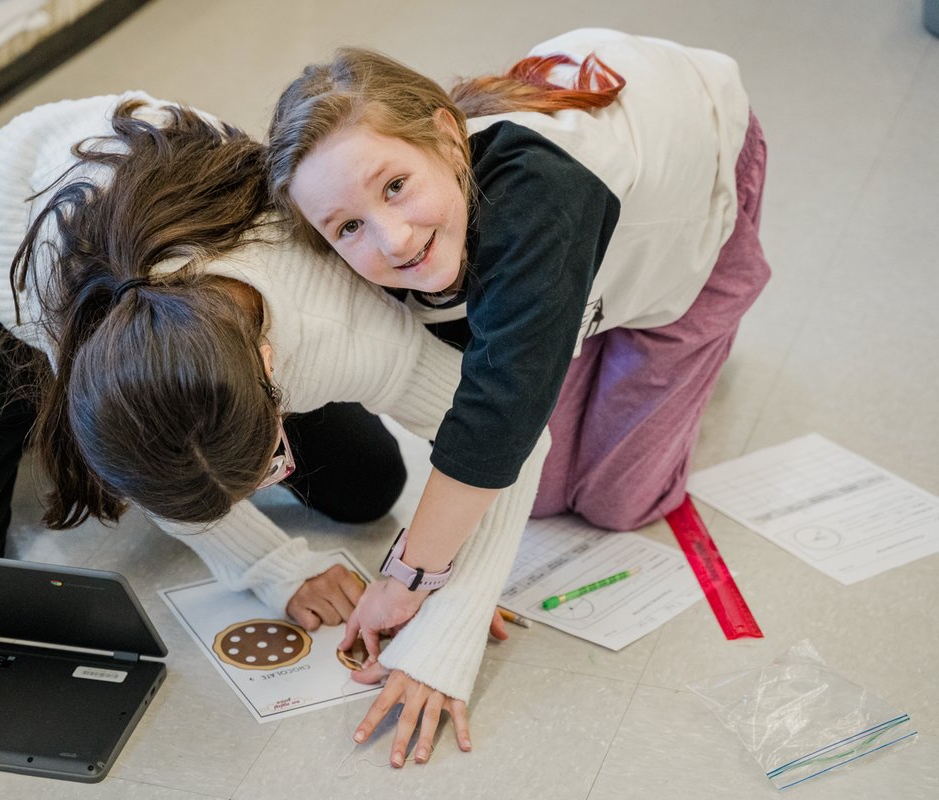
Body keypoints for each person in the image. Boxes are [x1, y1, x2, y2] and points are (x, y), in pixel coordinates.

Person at [0, 89, 526, 740]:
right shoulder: (83, 325)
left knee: (369, 486)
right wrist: (272, 568)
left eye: (266, 461)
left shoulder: (342, 322)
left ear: (271, 373)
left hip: (191, 240)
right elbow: (161, 453)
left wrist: (450, 599)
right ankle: (5, 409)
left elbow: (505, 431)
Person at [267, 27, 770, 764]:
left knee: (618, 502)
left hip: (696, 187)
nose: (395, 238)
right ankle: (569, 315)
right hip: (565, 253)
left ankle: (705, 320)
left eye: (396, 186)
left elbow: (497, 417)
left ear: (446, 137)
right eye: (349, 227)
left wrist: (404, 579)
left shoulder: (539, 190)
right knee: (538, 495)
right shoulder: (412, 236)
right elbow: (496, 439)